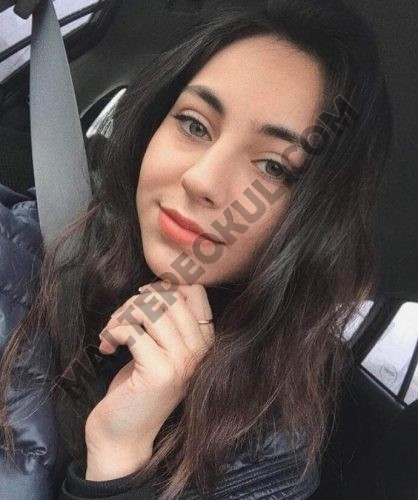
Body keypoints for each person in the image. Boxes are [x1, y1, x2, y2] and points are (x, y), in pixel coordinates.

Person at [0, 0, 393, 498]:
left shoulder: (271, 458)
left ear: (317, 221)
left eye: (274, 168)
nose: (202, 179)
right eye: (194, 124)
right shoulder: (17, 250)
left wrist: (119, 458)